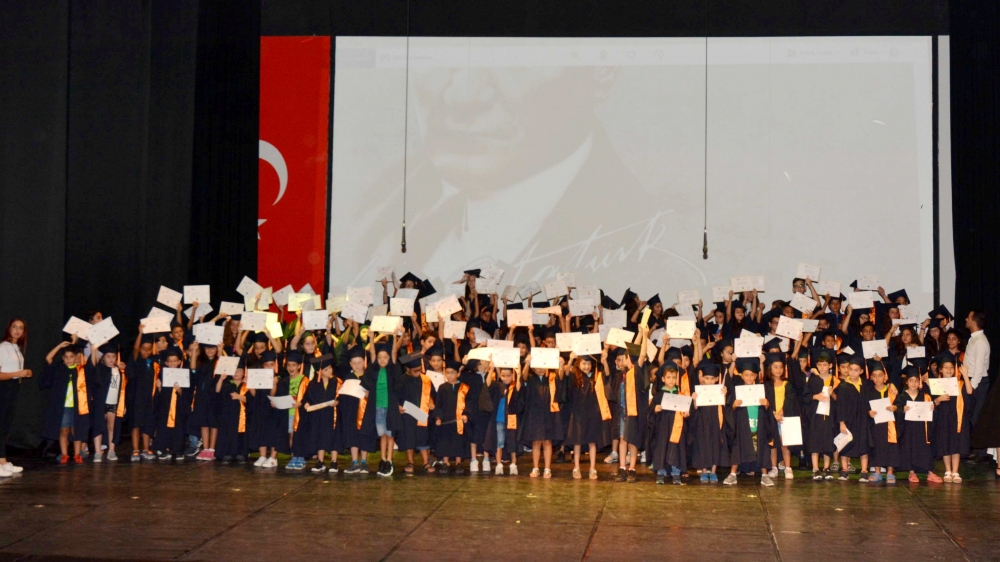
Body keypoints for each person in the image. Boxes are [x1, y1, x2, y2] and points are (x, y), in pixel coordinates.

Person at [40, 340, 92, 464]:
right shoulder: (60, 369)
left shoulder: (80, 370)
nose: (69, 359)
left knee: (77, 430)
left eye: (71, 357)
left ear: (76, 357)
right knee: (64, 430)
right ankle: (64, 454)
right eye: (66, 357)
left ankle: (78, 454)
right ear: (63, 358)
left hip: (78, 406)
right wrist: (59, 346)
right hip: (63, 407)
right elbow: (48, 358)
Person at [931, 352, 973, 483]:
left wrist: (965, 375)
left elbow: (970, 391)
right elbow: (932, 403)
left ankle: (955, 471)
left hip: (957, 418)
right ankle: (948, 471)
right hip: (943, 418)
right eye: (946, 367)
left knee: (956, 444)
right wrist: (939, 399)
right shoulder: (937, 384)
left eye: (951, 367)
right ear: (940, 370)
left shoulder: (959, 383)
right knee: (945, 443)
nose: (949, 370)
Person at [895, 367, 941, 483]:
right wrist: (902, 409)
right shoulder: (901, 397)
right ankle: (911, 472)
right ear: (906, 382)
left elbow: (932, 413)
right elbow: (896, 410)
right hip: (907, 429)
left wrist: (932, 408)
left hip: (922, 429)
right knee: (908, 449)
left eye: (916, 380)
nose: (914, 383)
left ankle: (930, 472)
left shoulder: (925, 396)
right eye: (911, 380)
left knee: (925, 449)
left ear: (919, 382)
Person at [649, 362, 690, 485]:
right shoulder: (658, 395)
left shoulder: (680, 395)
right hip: (662, 428)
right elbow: (651, 414)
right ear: (663, 379)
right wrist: (655, 410)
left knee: (676, 448)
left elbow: (686, 412)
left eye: (674, 377)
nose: (671, 380)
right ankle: (661, 472)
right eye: (668, 377)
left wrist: (686, 414)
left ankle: (675, 472)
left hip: (676, 427)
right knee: (661, 448)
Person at [0, 318, 31, 477]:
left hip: (12, 388)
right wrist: (18, 373)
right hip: (3, 388)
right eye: (14, 327)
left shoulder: (17, 348)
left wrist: (23, 373)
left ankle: (3, 461)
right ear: (9, 328)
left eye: (21, 328)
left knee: (5, 426)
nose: (17, 330)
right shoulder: (3, 347)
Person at [964, 311, 990, 430]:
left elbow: (979, 369)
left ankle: (976, 442)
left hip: (977, 383)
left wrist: (971, 388)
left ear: (974, 322)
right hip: (972, 381)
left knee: (975, 417)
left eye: (968, 318)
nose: (966, 319)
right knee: (969, 415)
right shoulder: (974, 338)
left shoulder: (979, 341)